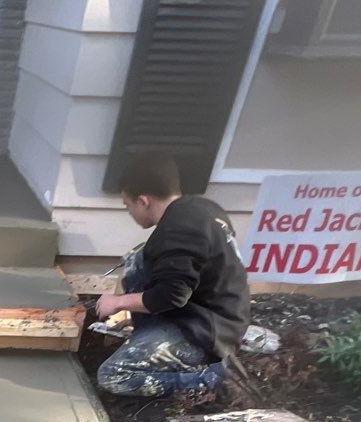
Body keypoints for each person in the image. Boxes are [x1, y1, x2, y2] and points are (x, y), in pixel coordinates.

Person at [93, 151, 249, 398]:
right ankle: (155, 332)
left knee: (114, 375)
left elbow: (171, 297)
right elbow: (189, 284)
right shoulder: (201, 208)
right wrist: (141, 319)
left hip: (206, 333)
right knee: (138, 259)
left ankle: (213, 381)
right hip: (208, 314)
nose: (129, 212)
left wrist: (118, 302)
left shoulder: (179, 232)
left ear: (143, 200)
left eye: (127, 205)